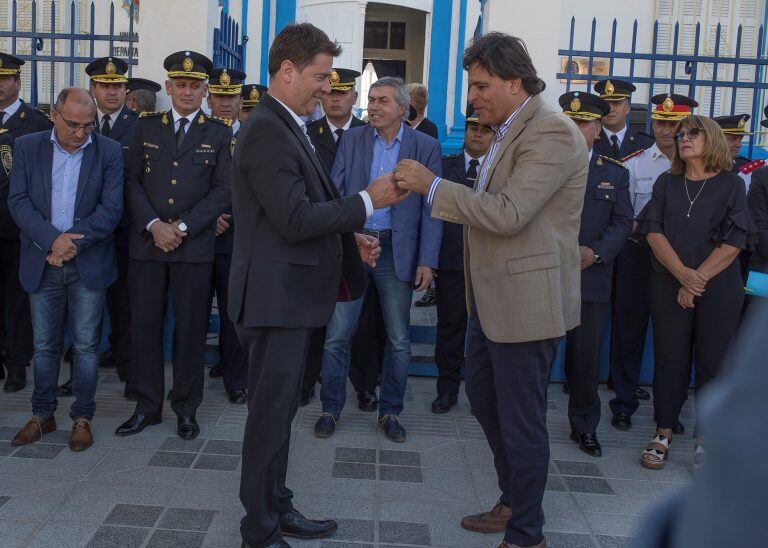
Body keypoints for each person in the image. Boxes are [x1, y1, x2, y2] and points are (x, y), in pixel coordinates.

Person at [394, 32, 587, 548]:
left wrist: (431, 185)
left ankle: (527, 533)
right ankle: (515, 499)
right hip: (491, 299)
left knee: (521, 421)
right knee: (484, 399)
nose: (471, 97)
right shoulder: (508, 128)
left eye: (480, 86)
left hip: (526, 304)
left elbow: (508, 214)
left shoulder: (550, 132)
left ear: (514, 82)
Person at [230, 23, 406, 548]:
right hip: (273, 301)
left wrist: (350, 238)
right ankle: (258, 531)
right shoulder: (266, 128)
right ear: (287, 71)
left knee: (282, 414)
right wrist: (369, 202)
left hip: (290, 298)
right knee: (268, 419)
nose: (327, 88)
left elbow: (296, 216)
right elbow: (293, 218)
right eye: (320, 76)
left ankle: (278, 508)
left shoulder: (285, 124)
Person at [313, 76, 443, 443]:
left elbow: (432, 209)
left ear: (402, 108)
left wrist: (427, 261)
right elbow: (336, 195)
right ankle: (330, 408)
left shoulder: (425, 146)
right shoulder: (352, 141)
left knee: (399, 340)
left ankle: (390, 412)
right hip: (355, 245)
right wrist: (343, 239)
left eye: (383, 101)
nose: (373, 106)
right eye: (371, 99)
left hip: (397, 252)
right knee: (337, 335)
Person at [115, 51, 232, 441]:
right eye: (180, 84)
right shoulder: (146, 127)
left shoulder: (218, 132)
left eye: (195, 86)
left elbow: (222, 191)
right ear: (168, 87)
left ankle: (186, 408)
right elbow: (130, 181)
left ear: (205, 91)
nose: (187, 91)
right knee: (145, 327)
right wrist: (153, 225)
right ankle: (147, 406)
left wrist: (180, 226)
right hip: (148, 246)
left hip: (192, 247)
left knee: (191, 330)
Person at [7, 87, 123, 452]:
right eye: (72, 124)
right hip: (42, 259)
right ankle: (42, 414)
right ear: (54, 115)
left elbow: (111, 208)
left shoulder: (109, 151)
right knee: (44, 346)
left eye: (88, 125)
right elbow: (19, 201)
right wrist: (52, 241)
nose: (80, 132)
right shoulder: (27, 146)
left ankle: (82, 417)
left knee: (87, 346)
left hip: (87, 261)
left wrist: (72, 243)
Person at [635, 114, 754, 470]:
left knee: (712, 363)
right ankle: (663, 432)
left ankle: (706, 437)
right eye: (681, 133)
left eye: (692, 133)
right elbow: (653, 233)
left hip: (718, 287)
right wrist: (683, 276)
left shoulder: (732, 185)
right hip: (668, 281)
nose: (683, 137)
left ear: (712, 140)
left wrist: (695, 280)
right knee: (669, 358)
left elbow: (734, 242)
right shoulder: (666, 183)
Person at [609, 92, 698, 432]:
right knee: (628, 333)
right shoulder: (634, 164)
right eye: (661, 122)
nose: (665, 131)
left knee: (673, 340)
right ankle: (623, 403)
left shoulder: (698, 169)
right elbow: (624, 218)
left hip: (681, 265)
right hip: (639, 258)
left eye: (674, 124)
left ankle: (669, 411)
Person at [559, 91, 633, 457]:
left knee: (586, 358)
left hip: (591, 275)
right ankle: (521, 424)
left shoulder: (613, 172)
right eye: (570, 121)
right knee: (533, 356)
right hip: (547, 272)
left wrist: (596, 252)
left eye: (584, 123)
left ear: (598, 129)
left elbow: (623, 222)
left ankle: (584, 426)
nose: (575, 128)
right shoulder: (542, 164)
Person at [302, 67, 374, 408]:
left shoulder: (367, 133)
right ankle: (307, 382)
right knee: (315, 314)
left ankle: (363, 386)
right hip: (320, 233)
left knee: (363, 322)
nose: (335, 98)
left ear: (354, 98)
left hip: (360, 233)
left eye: (343, 93)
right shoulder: (306, 132)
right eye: (330, 92)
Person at [431, 106, 493, 414]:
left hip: (490, 263)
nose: (477, 133)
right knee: (450, 326)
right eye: (472, 128)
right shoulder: (445, 165)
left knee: (490, 329)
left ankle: (484, 392)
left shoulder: (501, 169)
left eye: (484, 129)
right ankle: (447, 388)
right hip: (453, 260)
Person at [0, 51, 53, 392]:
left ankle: (17, 363)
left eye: (4, 78)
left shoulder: (36, 123)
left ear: (18, 82)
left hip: (17, 228)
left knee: (19, 299)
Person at [205, 67, 248, 403]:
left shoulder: (250, 138)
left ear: (239, 101)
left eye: (230, 97)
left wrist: (228, 217)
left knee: (234, 314)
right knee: (193, 314)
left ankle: (235, 380)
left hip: (234, 239)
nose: (223, 103)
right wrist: (209, 217)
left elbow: (255, 189)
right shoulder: (197, 133)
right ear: (209, 97)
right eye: (218, 96)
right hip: (198, 237)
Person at [592, 78, 653, 160]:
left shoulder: (645, 144)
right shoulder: (589, 141)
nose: (610, 109)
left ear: (628, 108)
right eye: (606, 104)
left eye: (616, 103)